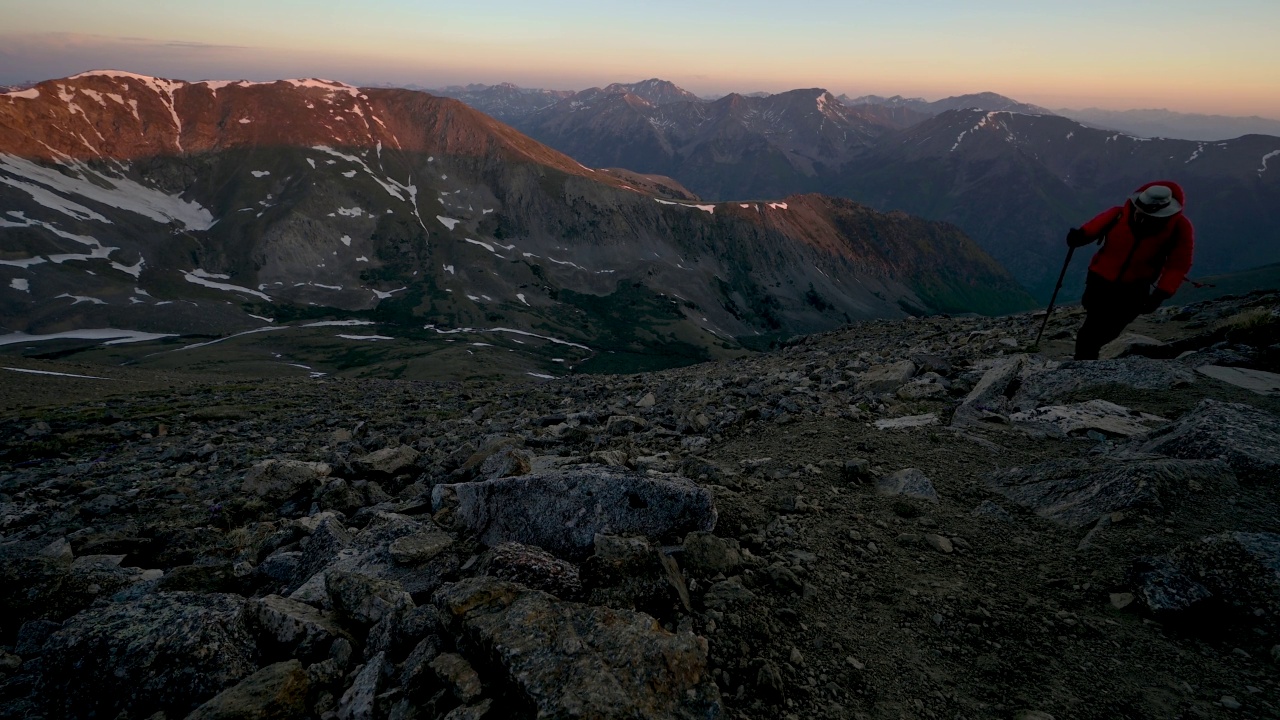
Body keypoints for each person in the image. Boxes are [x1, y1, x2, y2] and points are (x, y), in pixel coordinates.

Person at [1066, 180, 1194, 360]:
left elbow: (1178, 264)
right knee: (1090, 332)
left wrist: (1160, 294)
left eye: (1147, 216)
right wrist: (1078, 237)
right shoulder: (1118, 214)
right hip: (1100, 283)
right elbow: (1090, 230)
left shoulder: (1179, 228)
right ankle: (1084, 370)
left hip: (1133, 290)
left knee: (1104, 332)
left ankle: (1084, 369)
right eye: (1139, 213)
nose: (1140, 218)